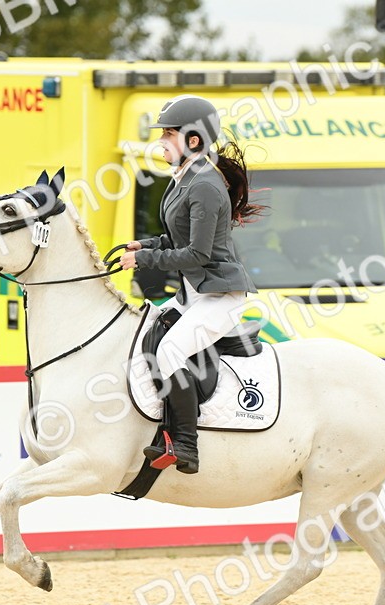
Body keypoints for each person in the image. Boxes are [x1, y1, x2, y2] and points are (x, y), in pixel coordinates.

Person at [120, 94, 263, 474]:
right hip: (194, 293)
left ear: (193, 140)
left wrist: (145, 259)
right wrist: (145, 244)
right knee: (143, 326)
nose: (161, 141)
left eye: (168, 134)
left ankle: (185, 444)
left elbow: (198, 255)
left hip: (220, 293)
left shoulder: (204, 185)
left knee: (168, 352)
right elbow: (178, 239)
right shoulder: (184, 178)